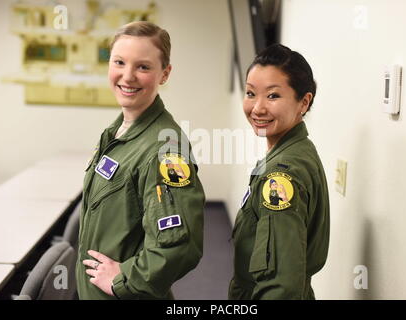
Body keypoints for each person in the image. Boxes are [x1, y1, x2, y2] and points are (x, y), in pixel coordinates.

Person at [76, 21, 205, 300]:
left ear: (165, 74)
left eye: (143, 67)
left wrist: (124, 282)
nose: (128, 76)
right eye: (119, 62)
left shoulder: (164, 150)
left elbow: (180, 246)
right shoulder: (116, 133)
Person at [229, 44, 330, 300]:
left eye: (273, 96)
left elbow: (281, 287)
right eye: (251, 93)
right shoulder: (298, 150)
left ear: (303, 102)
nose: (258, 108)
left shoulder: (282, 174)